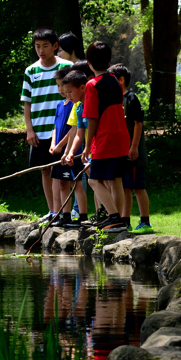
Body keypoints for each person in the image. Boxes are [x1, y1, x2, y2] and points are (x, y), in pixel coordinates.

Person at [22, 27, 73, 222]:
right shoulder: (31, 71)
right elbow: (27, 103)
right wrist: (29, 130)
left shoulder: (67, 66)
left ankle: (67, 211)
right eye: (37, 46)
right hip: (40, 129)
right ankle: (53, 211)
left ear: (55, 46)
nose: (41, 50)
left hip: (64, 128)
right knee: (45, 170)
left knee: (65, 172)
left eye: (45, 46)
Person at [79, 41, 129, 231]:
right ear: (109, 62)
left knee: (94, 180)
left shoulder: (92, 84)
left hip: (105, 139)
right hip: (121, 137)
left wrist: (87, 145)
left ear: (89, 63)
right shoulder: (116, 81)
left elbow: (92, 117)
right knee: (115, 180)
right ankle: (121, 220)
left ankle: (113, 217)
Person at [108, 64, 153, 233]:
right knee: (125, 187)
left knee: (137, 187)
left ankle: (145, 221)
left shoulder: (131, 99)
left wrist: (134, 147)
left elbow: (138, 124)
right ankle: (125, 221)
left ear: (120, 80)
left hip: (133, 153)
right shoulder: (114, 101)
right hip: (120, 153)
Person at [48, 68, 78, 226]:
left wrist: (61, 146)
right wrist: (53, 145)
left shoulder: (73, 105)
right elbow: (55, 127)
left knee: (72, 183)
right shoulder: (60, 105)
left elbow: (72, 130)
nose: (61, 89)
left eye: (63, 85)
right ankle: (62, 215)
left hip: (67, 151)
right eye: (58, 86)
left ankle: (76, 214)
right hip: (57, 151)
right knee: (60, 183)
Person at [60, 69, 90, 226]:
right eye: (65, 92)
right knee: (95, 182)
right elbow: (79, 133)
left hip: (98, 149)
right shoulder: (79, 107)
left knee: (100, 182)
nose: (68, 96)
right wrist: (70, 153)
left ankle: (110, 217)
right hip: (89, 151)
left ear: (83, 88)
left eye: (70, 92)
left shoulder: (92, 104)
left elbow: (93, 130)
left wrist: (88, 148)